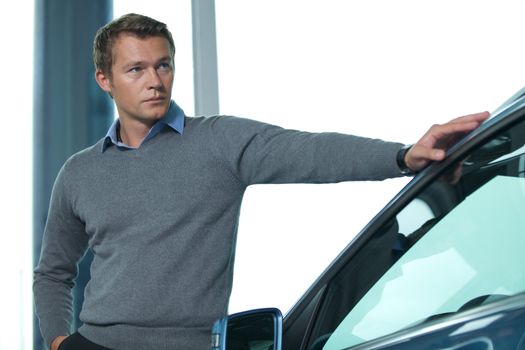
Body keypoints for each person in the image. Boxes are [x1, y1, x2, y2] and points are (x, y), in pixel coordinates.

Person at [33, 13, 489, 350]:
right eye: (136, 69)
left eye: (163, 65)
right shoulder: (80, 172)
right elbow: (53, 273)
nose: (155, 80)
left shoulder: (219, 142)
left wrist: (403, 155)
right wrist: (59, 342)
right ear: (104, 80)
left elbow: (310, 151)